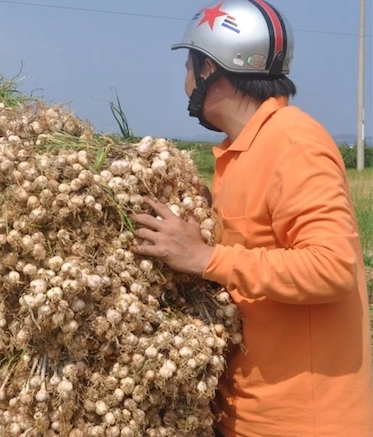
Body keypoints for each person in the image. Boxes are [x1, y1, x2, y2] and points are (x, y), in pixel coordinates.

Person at [129, 0, 373, 436]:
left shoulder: (292, 144)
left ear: (209, 70)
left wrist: (205, 257)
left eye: (189, 67)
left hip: (303, 423)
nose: (184, 84)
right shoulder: (242, 152)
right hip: (246, 415)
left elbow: (333, 267)